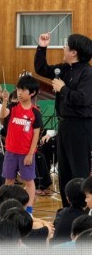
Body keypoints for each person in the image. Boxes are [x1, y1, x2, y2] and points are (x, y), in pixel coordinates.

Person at [35, 32, 92, 206]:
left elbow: (83, 99)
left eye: (66, 46)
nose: (63, 48)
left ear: (74, 52)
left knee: (79, 170)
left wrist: (63, 89)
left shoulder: (88, 73)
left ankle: (82, 209)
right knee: (64, 170)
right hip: (65, 125)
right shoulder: (65, 69)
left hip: (80, 126)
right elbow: (41, 69)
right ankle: (68, 207)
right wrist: (42, 47)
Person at [0, 74, 42, 209]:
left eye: (23, 90)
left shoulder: (35, 112)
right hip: (11, 151)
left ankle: (29, 209)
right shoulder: (12, 107)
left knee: (29, 181)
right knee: (9, 181)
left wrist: (30, 154)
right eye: (18, 89)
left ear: (32, 93)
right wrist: (4, 101)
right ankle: (7, 207)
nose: (19, 93)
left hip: (26, 153)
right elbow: (2, 115)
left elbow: (36, 135)